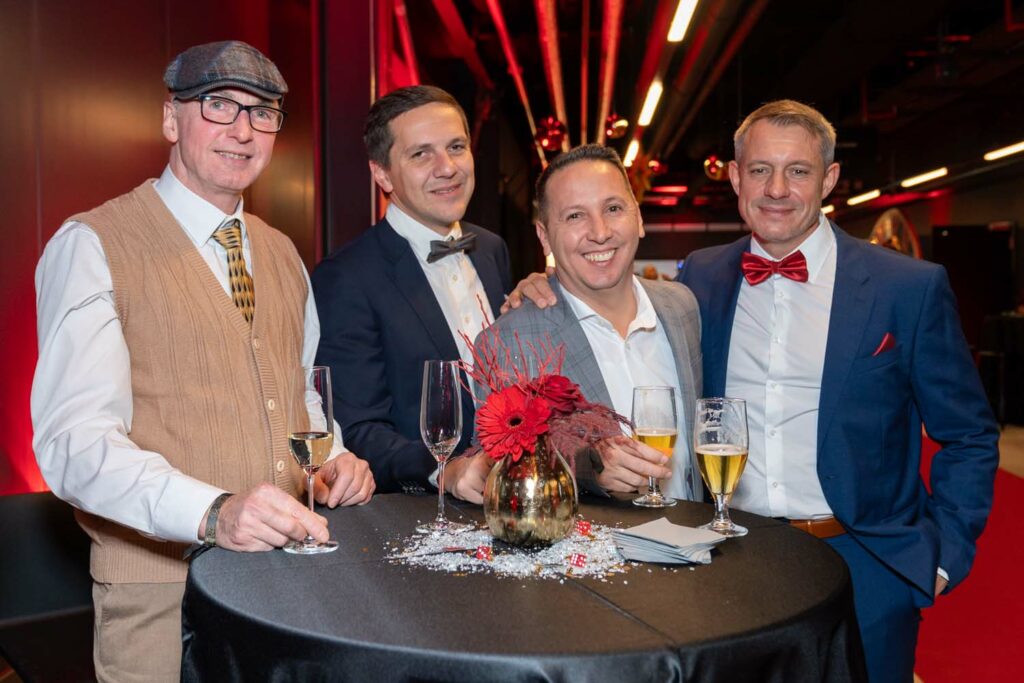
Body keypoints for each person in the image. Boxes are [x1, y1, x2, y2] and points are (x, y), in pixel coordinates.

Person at [508, 100, 999, 683]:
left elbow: (968, 434)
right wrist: (545, 283)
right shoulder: (700, 280)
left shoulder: (907, 287)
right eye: (760, 170)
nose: (777, 189)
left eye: (798, 171)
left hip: (868, 561)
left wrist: (941, 558)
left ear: (829, 179)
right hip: (733, 554)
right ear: (736, 178)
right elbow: (605, 291)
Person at [31, 41, 375, 682]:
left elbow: (300, 397)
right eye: (219, 104)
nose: (243, 130)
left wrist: (333, 460)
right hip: (160, 601)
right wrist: (214, 512)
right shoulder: (91, 244)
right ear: (171, 119)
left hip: (286, 592)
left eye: (262, 112)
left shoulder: (283, 253)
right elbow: (75, 446)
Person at [446, 144, 702, 503]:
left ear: (639, 218)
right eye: (575, 216)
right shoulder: (510, 341)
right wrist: (589, 469)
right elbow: (496, 471)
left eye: (613, 209)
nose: (600, 232)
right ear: (544, 236)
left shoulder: (682, 308)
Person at [312, 85, 511, 495]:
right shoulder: (346, 276)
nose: (447, 167)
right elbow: (358, 429)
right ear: (382, 174)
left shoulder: (492, 250)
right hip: (421, 509)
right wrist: (444, 471)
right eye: (421, 154)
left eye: (456, 147)